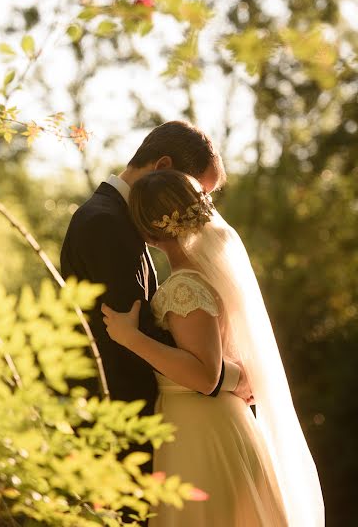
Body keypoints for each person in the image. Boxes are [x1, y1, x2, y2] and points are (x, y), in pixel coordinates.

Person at [102, 169, 325, 527]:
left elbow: (206, 375)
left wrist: (132, 339)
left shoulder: (184, 287)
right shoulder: (207, 277)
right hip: (208, 423)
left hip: (201, 431)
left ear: (148, 233)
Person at [60, 122, 250, 470]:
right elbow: (130, 335)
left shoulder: (122, 221)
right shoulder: (105, 223)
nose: (199, 209)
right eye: (196, 192)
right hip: (120, 431)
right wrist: (228, 376)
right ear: (163, 168)